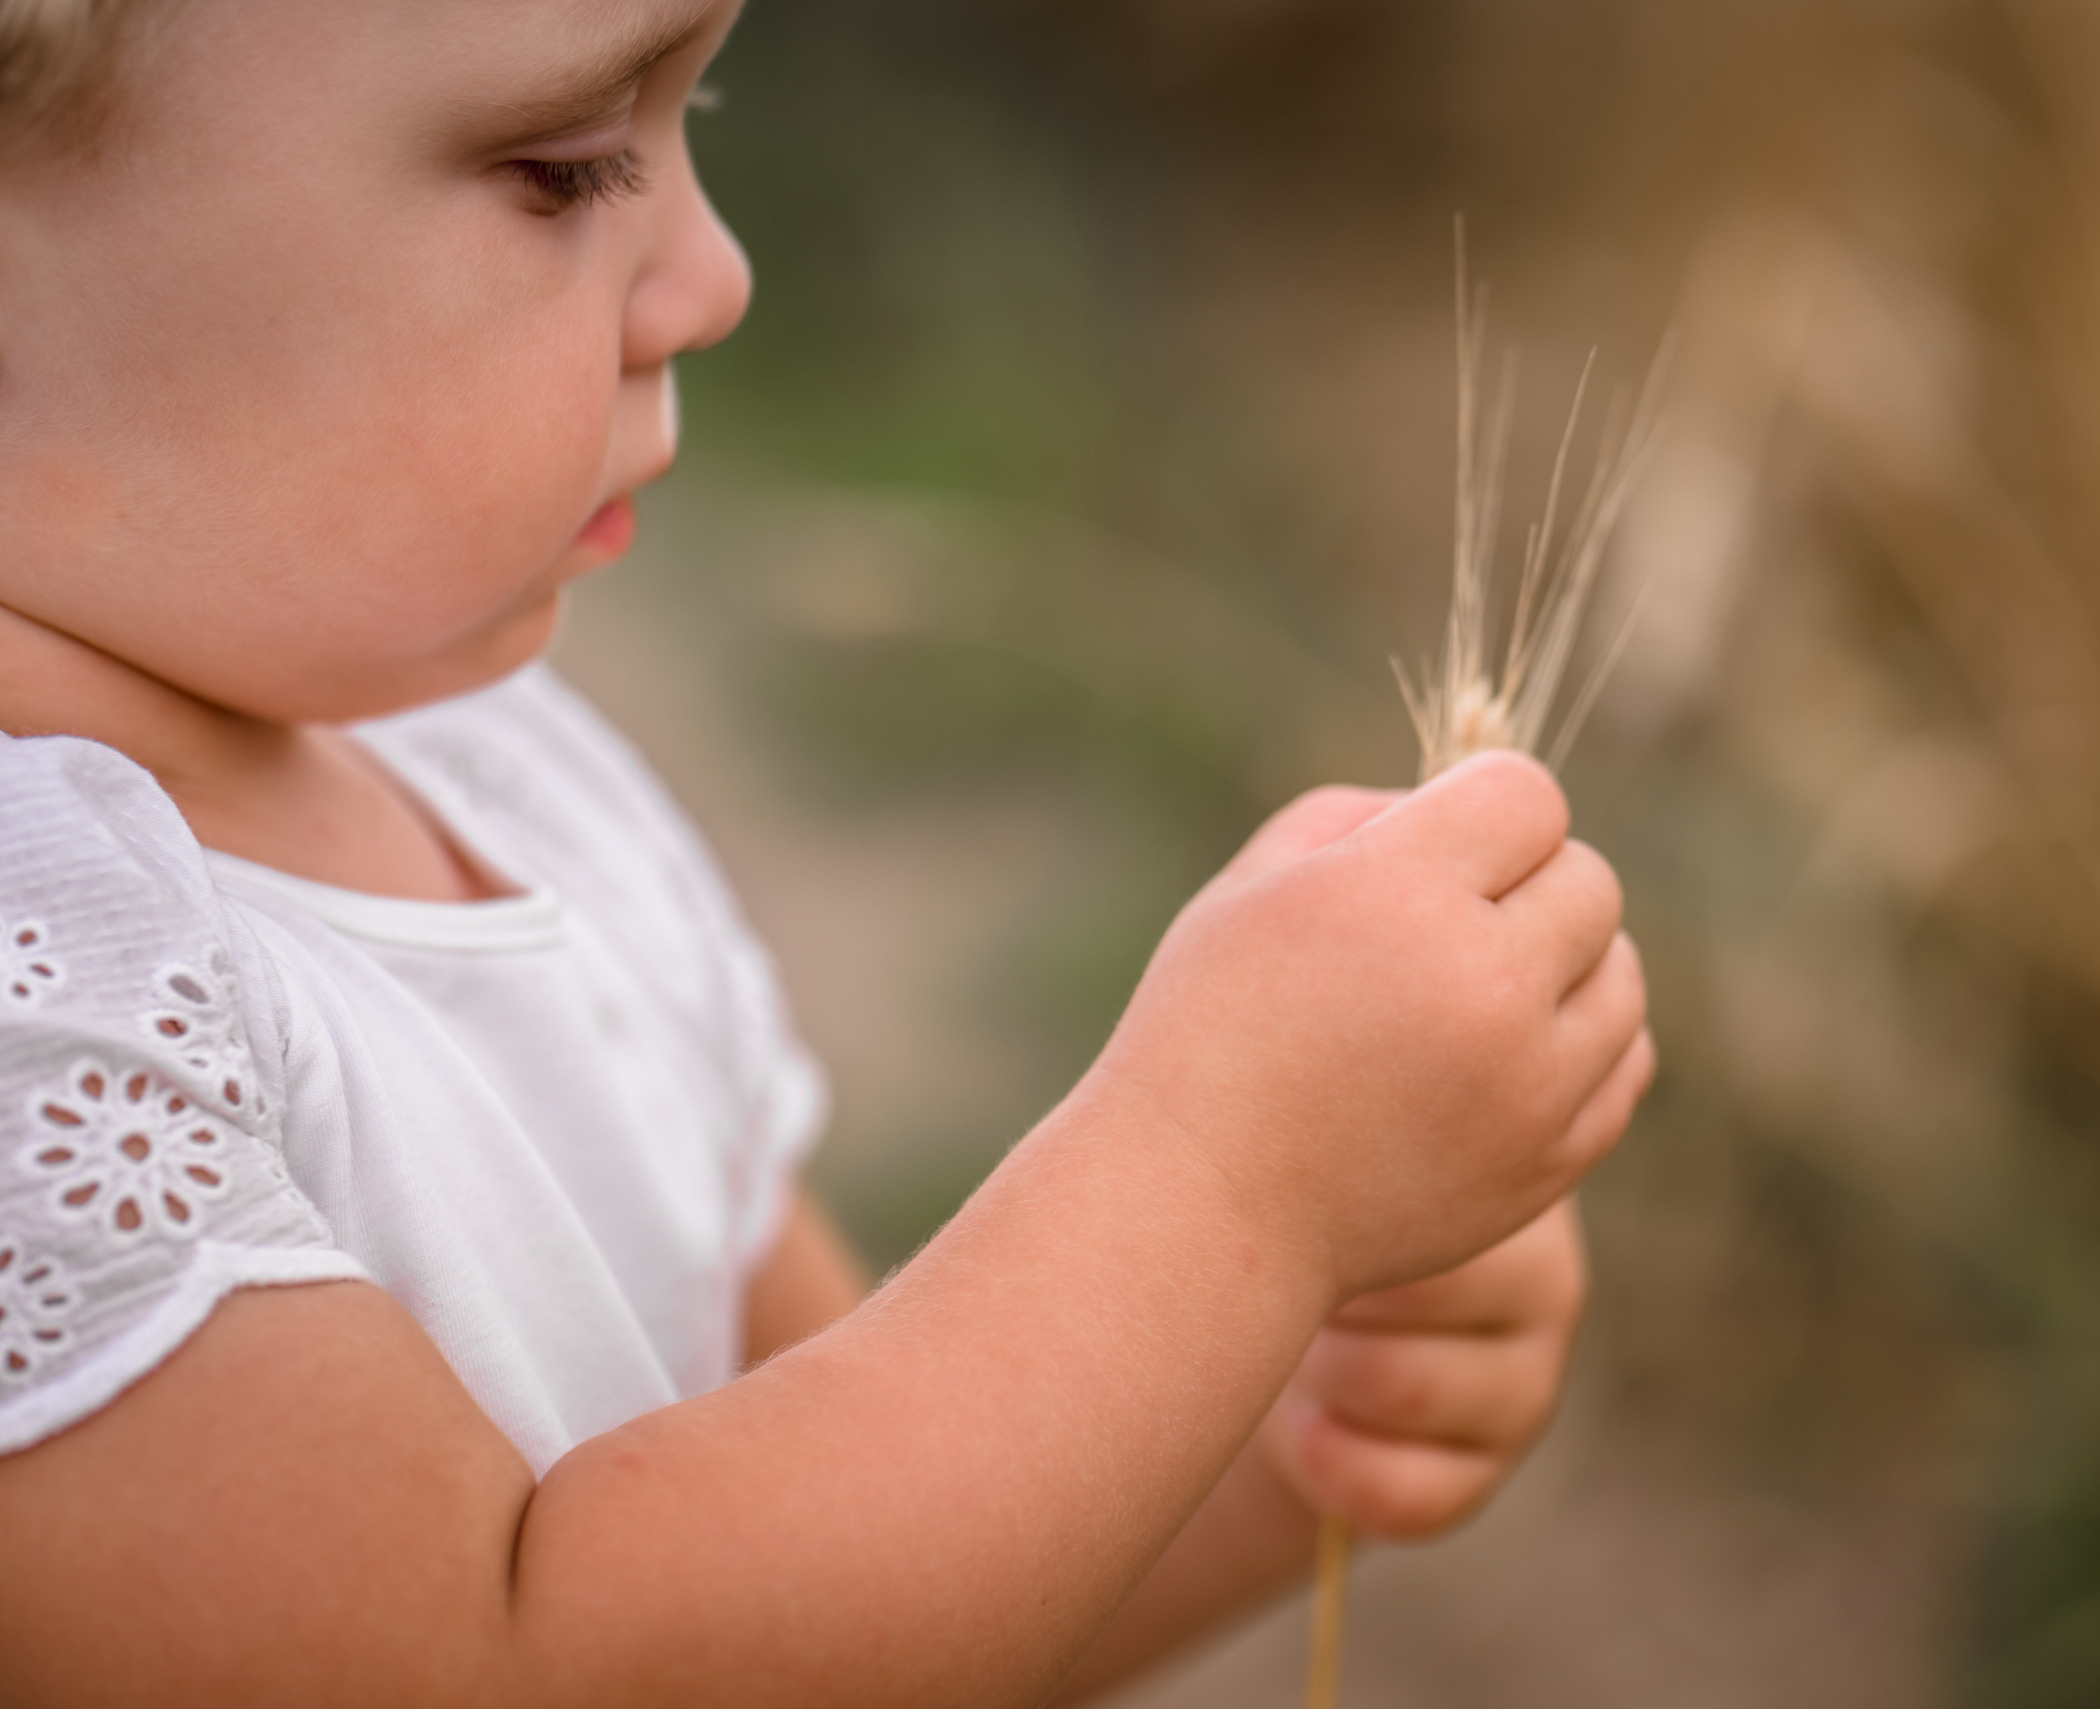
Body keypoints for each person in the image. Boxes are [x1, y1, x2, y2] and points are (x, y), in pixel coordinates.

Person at [0, 1, 1655, 1702]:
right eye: (565, 170)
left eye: (693, 100)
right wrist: (1232, 1184)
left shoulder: (485, 758)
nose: (715, 274)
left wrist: (1257, 1420)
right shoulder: (32, 1030)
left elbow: (845, 1589)